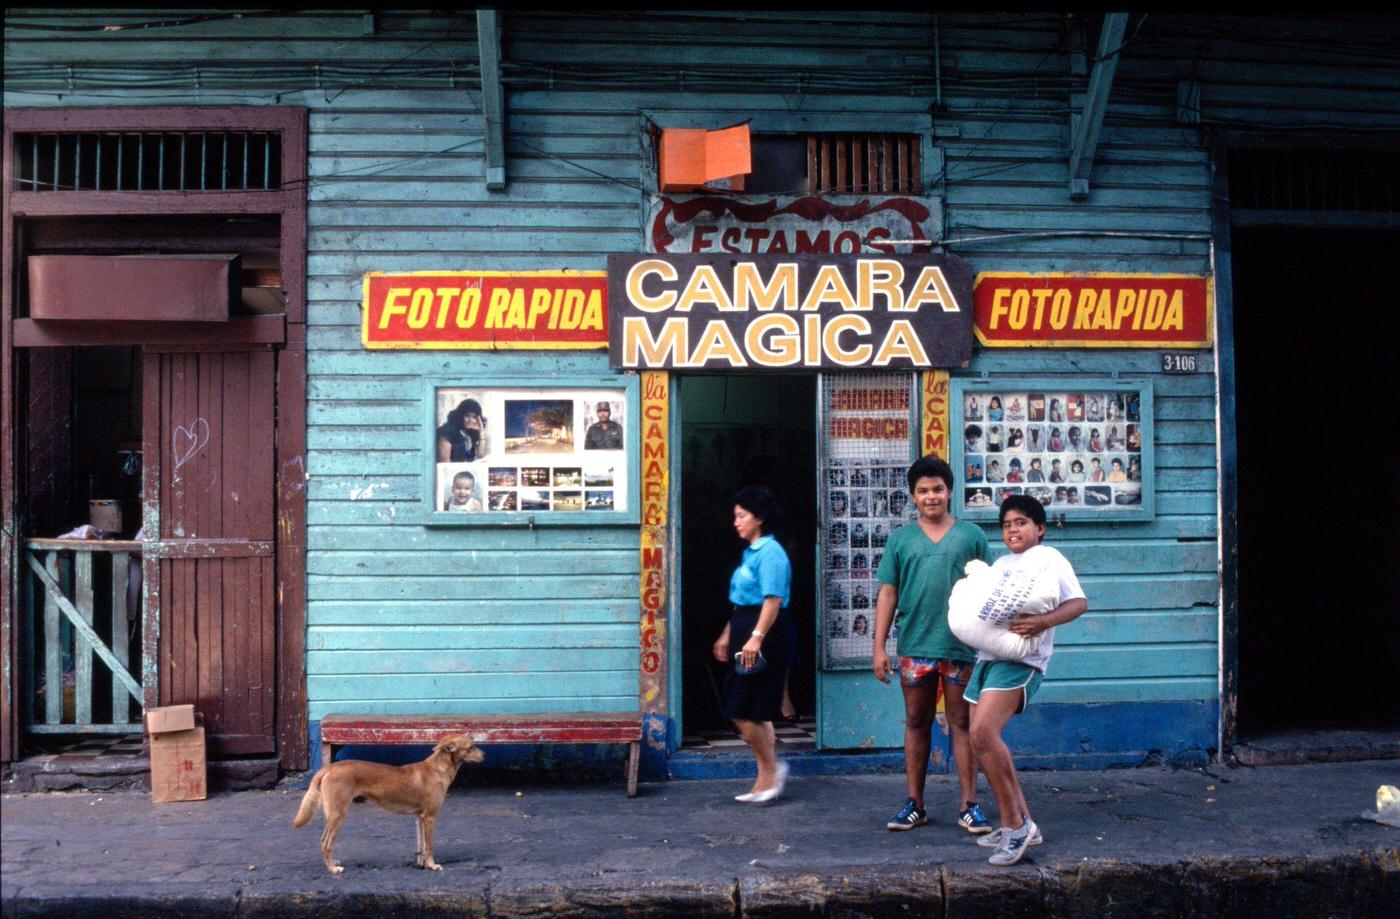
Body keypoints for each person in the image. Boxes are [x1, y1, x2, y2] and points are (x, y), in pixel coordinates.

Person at [873, 456, 995, 837]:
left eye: (938, 489)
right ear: (912, 496)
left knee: (962, 723)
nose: (931, 496)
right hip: (914, 643)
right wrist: (879, 647)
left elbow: (989, 590)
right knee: (916, 722)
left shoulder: (971, 535)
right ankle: (915, 803)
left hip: (960, 645)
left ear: (949, 491)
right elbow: (888, 593)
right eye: (923, 490)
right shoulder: (900, 539)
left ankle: (970, 805)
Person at [966, 495, 1086, 865]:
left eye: (1020, 522)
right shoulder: (1000, 563)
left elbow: (1078, 602)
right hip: (987, 657)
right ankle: (1024, 822)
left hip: (1022, 659)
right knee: (982, 741)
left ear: (1040, 528)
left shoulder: (1050, 558)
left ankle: (1013, 827)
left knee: (983, 734)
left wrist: (1042, 622)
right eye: (1006, 525)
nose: (1013, 530)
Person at [711, 486, 796, 803]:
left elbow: (772, 600)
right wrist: (726, 635)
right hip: (745, 627)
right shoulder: (751, 552)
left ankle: (773, 770)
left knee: (744, 708)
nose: (736, 522)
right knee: (748, 708)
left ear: (758, 518)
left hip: (765, 633)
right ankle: (764, 778)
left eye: (741, 516)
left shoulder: (771, 553)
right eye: (735, 516)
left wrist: (756, 638)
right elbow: (742, 603)